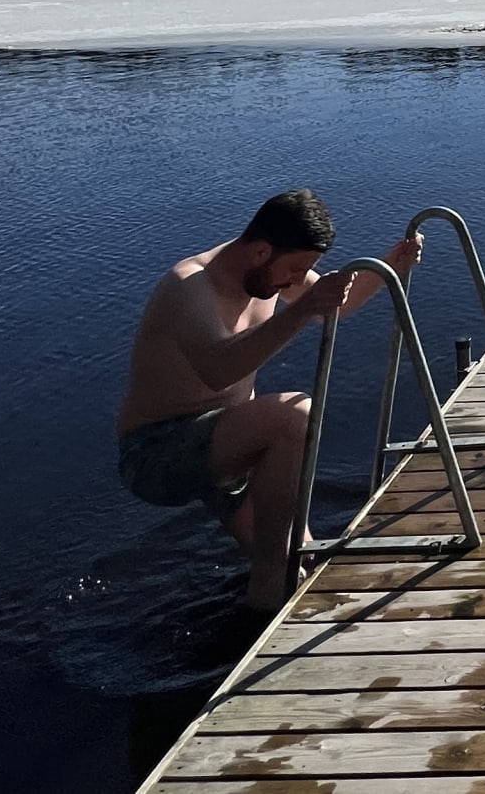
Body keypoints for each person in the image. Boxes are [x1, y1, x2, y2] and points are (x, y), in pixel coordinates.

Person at [116, 188, 422, 612]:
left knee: (308, 563)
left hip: (228, 442)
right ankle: (267, 586)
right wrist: (299, 311)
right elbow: (219, 369)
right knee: (295, 415)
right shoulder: (191, 288)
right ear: (261, 251)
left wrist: (390, 265)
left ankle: (271, 598)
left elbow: (339, 303)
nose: (297, 282)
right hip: (157, 453)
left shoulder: (267, 273)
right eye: (296, 270)